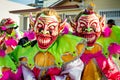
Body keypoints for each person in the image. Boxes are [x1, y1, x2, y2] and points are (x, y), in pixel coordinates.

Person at [0, 8, 86, 80]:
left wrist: (55, 78)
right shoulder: (26, 50)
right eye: (40, 27)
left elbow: (74, 72)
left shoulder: (66, 49)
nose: (44, 32)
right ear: (34, 27)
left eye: (51, 28)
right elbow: (17, 68)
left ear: (60, 29)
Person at [70, 3, 120, 80]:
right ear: (74, 27)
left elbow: (112, 73)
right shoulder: (71, 47)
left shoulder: (105, 44)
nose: (88, 30)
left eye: (93, 25)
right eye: (83, 26)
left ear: (101, 25)